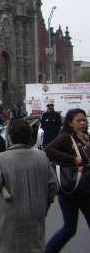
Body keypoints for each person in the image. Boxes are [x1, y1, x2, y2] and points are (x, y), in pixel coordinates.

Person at [0, 119, 58, 253]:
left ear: (9, 137)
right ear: (30, 137)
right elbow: (53, 187)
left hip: (11, 216)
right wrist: (44, 205)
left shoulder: (2, 158)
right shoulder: (42, 157)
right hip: (36, 214)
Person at [44, 108, 90, 253]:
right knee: (69, 228)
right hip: (71, 188)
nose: (83, 123)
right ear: (70, 123)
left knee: (70, 228)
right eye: (79, 120)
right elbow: (48, 150)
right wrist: (73, 159)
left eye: (84, 120)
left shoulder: (85, 137)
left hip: (86, 187)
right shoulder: (66, 137)